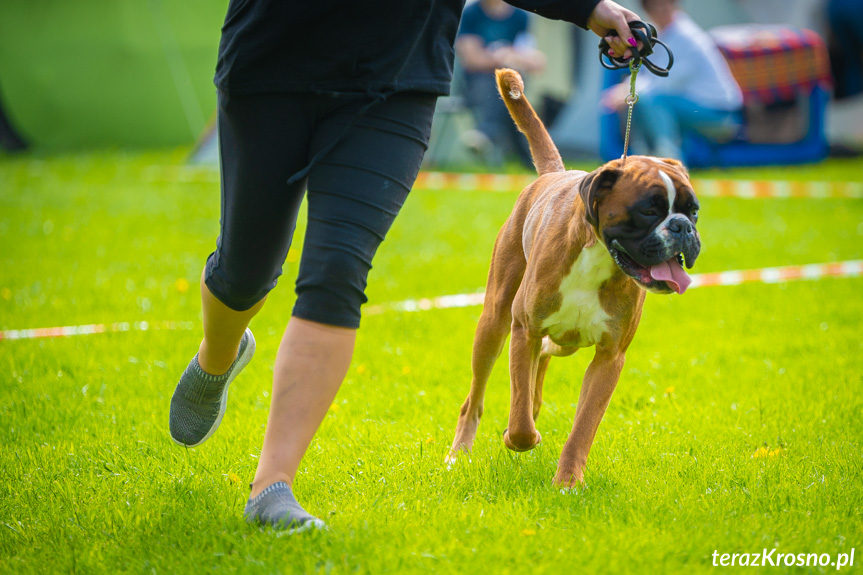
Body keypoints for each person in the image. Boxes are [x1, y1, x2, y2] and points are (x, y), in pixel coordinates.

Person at [168, 0, 642, 533]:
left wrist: (588, 8)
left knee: (337, 273)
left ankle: (272, 486)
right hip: (275, 62)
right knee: (246, 269)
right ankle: (219, 354)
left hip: (395, 81)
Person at [601, 0, 743, 160]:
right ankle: (643, 159)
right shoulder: (664, 34)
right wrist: (624, 90)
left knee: (652, 100)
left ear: (676, 5)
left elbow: (664, 82)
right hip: (694, 108)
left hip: (722, 117)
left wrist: (625, 92)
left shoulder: (686, 36)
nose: (662, 11)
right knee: (639, 101)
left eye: (666, 5)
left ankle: (668, 160)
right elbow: (649, 76)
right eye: (655, 7)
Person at [456, 0, 547, 166]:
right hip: (477, 85)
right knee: (506, 91)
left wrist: (511, 56)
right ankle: (531, 160)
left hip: (512, 83)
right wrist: (500, 58)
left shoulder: (521, 16)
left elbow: (534, 60)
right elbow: (472, 60)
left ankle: (486, 132)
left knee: (509, 86)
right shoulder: (471, 13)